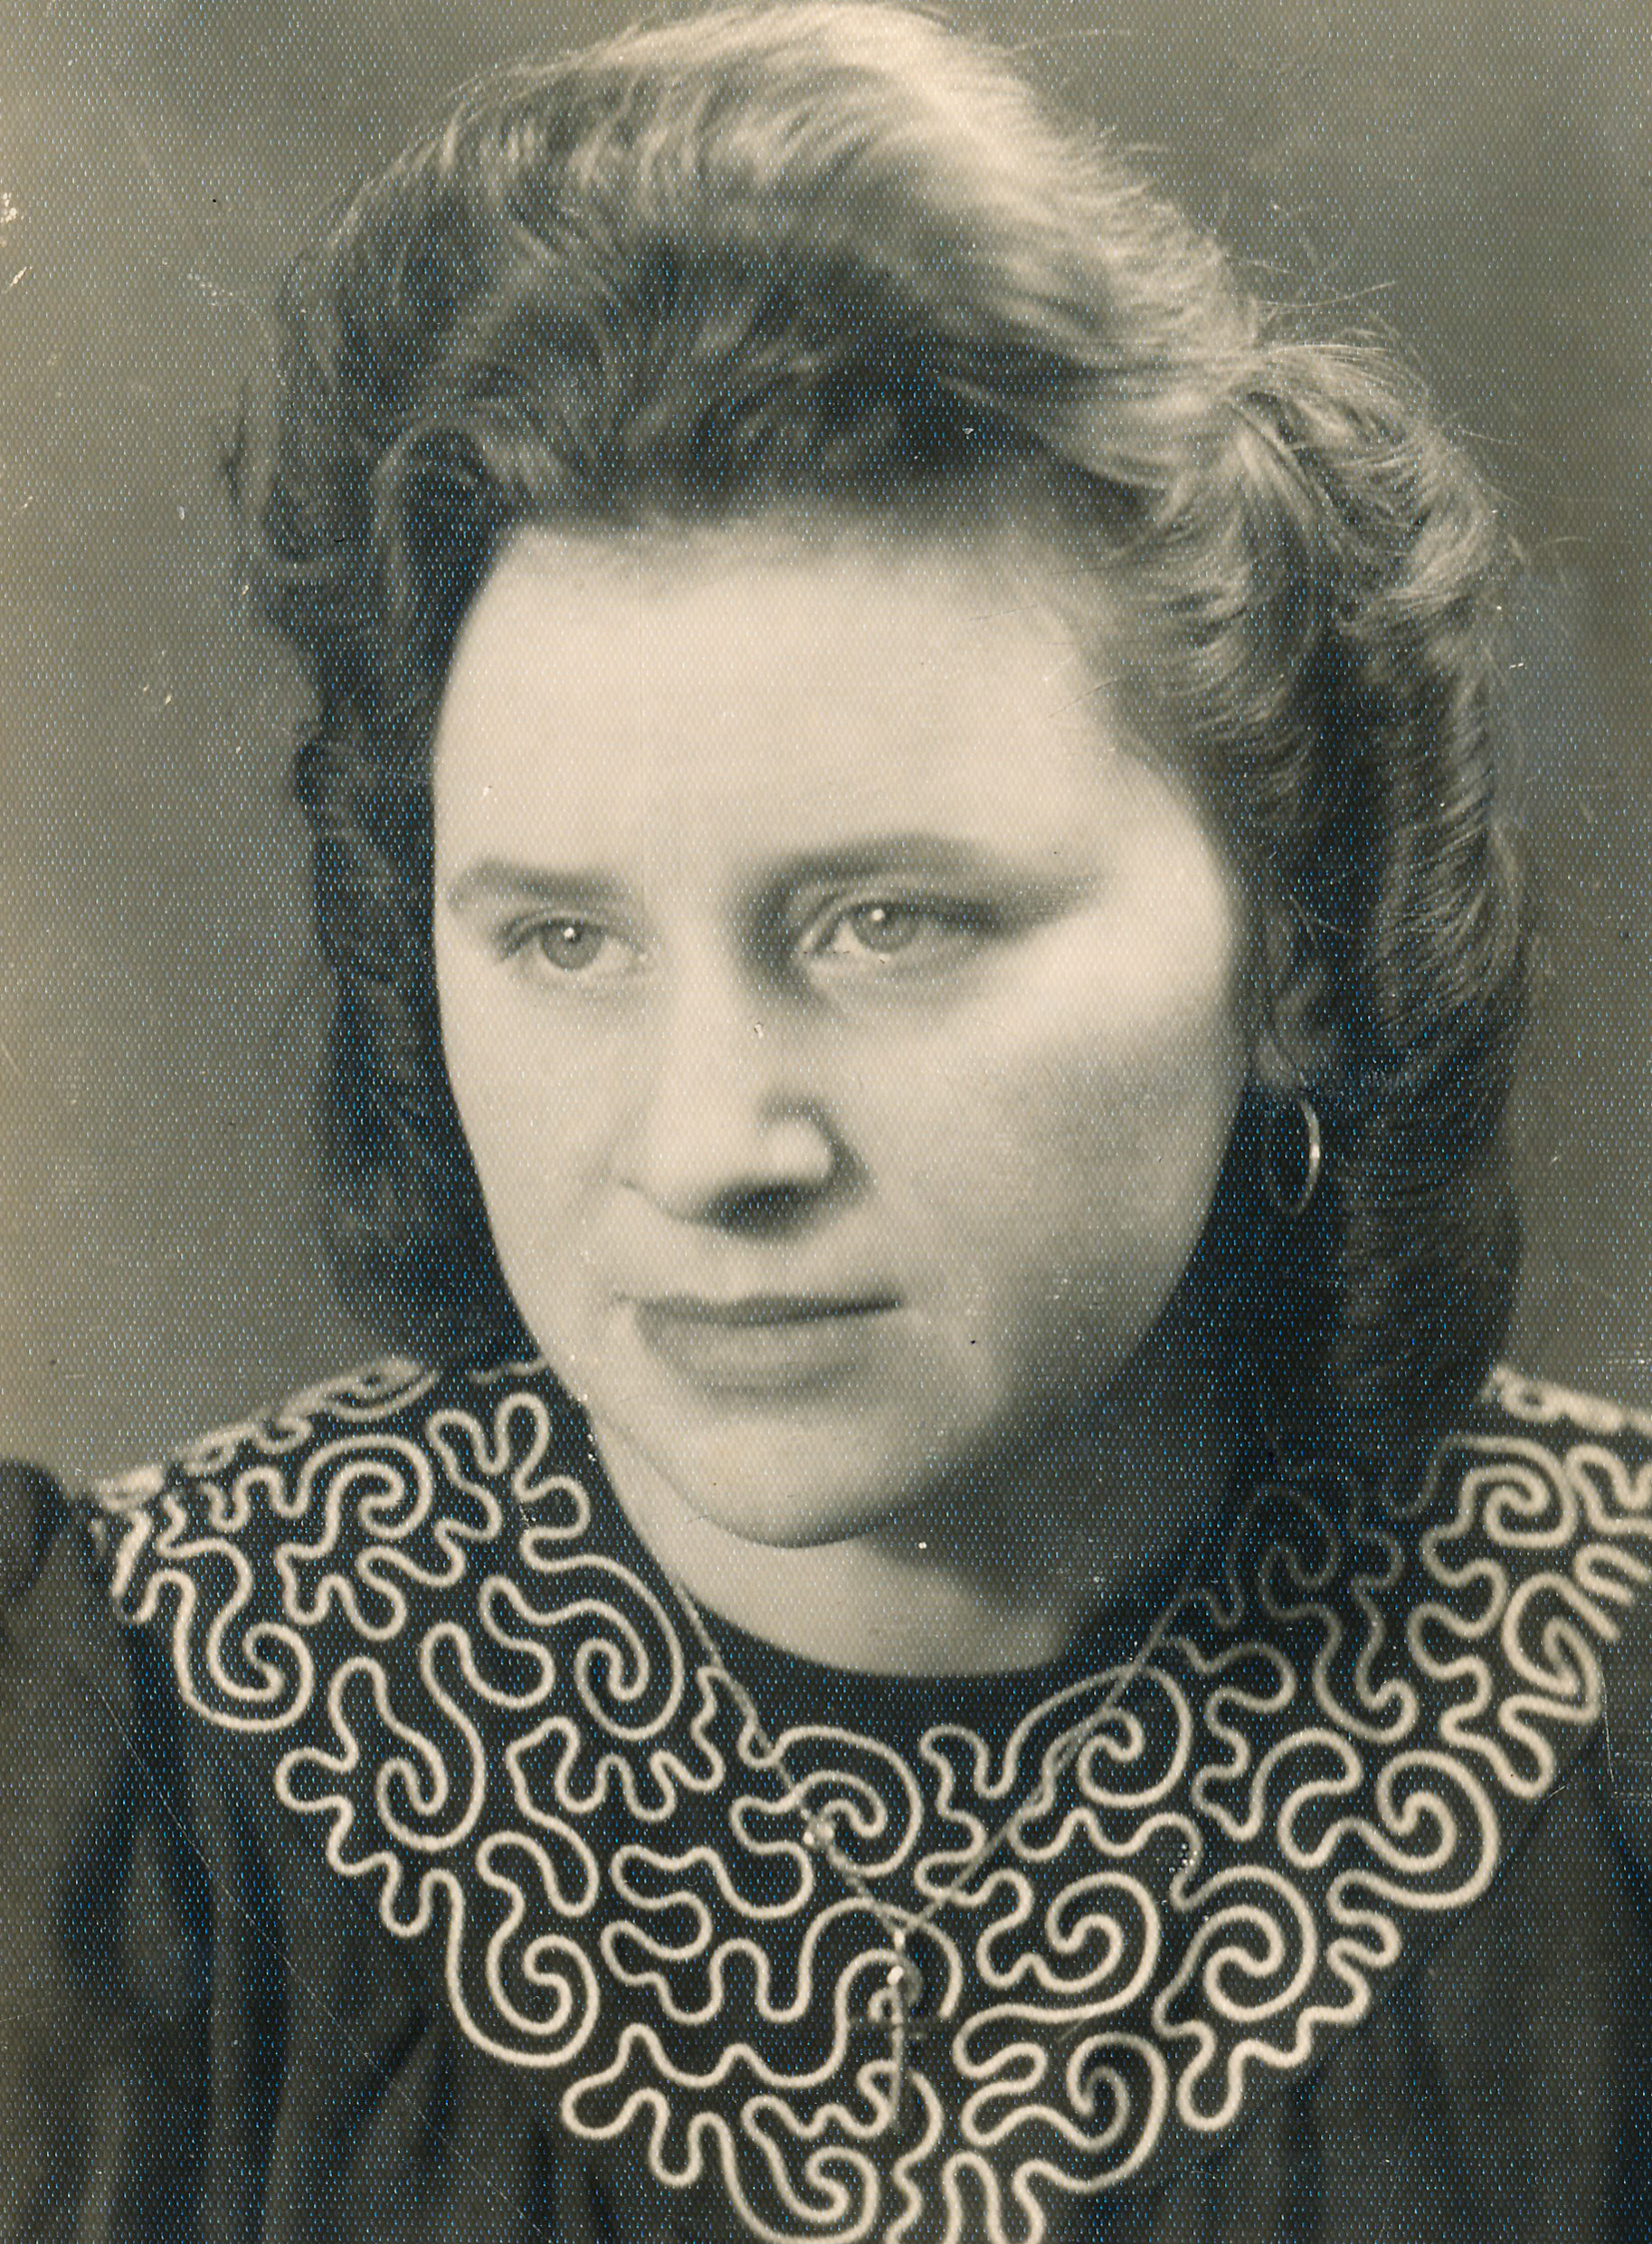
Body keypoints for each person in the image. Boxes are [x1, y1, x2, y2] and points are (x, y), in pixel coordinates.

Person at [2, 4, 1649, 2238]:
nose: (706, 1147)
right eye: (560, 937)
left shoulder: (1611, 1724)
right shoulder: (101, 1774)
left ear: (1294, 939)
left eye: (890, 923)